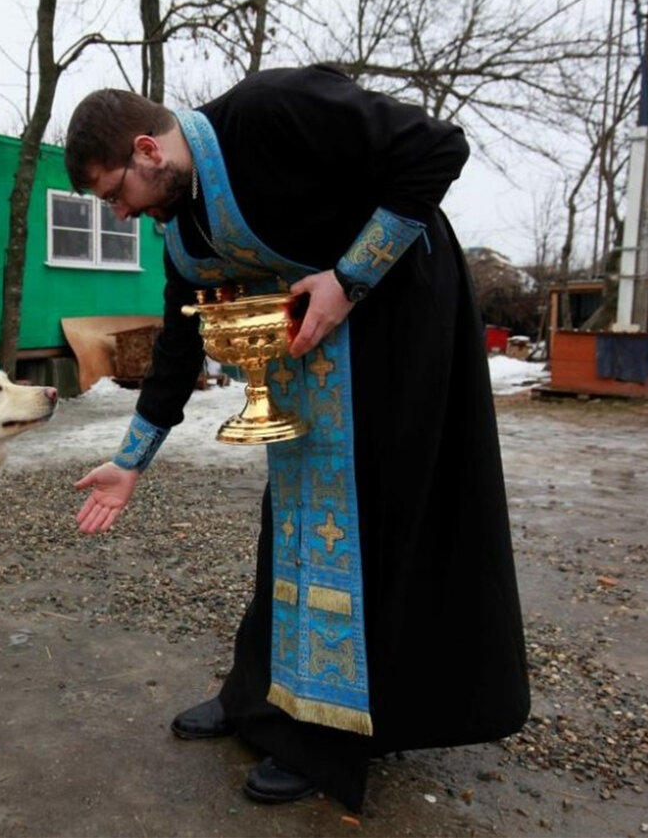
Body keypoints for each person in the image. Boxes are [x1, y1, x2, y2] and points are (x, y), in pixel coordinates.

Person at [63, 66, 530, 813]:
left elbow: (439, 148)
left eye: (114, 193)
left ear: (148, 149)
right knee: (296, 524)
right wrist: (130, 463)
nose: (118, 213)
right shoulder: (181, 227)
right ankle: (259, 698)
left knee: (364, 524)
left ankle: (333, 733)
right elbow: (179, 350)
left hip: (402, 324)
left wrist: (347, 279)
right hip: (318, 361)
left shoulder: (272, 110)